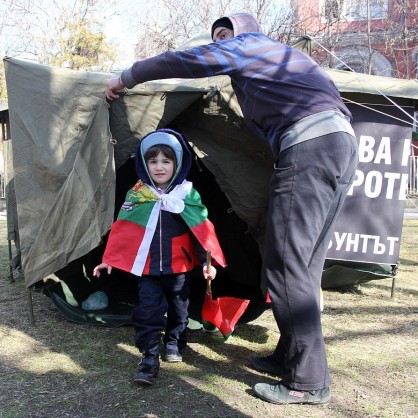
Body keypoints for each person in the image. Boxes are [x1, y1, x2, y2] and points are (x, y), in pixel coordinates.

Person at [105, 13, 359, 404]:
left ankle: (308, 382)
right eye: (216, 38)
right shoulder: (284, 59)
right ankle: (290, 358)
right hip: (338, 144)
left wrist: (127, 76)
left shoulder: (249, 48)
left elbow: (181, 61)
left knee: (287, 267)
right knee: (305, 265)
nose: (220, 43)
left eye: (225, 35)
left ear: (243, 35)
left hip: (309, 147)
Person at [93, 128, 226, 386]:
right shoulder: (137, 193)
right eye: (153, 161)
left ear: (177, 163)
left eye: (166, 161)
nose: (159, 167)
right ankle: (149, 358)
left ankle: (174, 341)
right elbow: (124, 228)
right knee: (148, 311)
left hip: (179, 266)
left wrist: (209, 263)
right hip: (149, 269)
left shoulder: (187, 193)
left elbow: (201, 230)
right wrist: (109, 259)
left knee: (179, 308)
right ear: (144, 164)